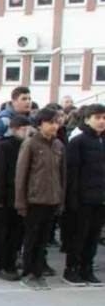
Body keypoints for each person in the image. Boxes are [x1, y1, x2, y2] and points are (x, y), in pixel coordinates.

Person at [16, 108, 65, 290]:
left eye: (56, 122)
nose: (54, 125)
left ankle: (38, 272)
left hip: (51, 200)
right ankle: (28, 272)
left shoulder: (59, 145)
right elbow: (21, 175)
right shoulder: (31, 144)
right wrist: (20, 202)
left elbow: (62, 176)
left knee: (43, 240)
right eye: (50, 122)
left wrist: (61, 200)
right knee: (32, 238)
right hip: (34, 200)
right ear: (40, 124)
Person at [62, 103, 105, 286]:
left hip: (100, 198)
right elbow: (71, 173)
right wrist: (73, 199)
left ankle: (87, 269)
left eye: (104, 118)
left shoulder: (102, 141)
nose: (102, 121)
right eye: (97, 117)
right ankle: (71, 270)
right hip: (82, 199)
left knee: (93, 236)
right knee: (78, 236)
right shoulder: (78, 142)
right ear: (87, 119)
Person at [0, 115, 31, 281]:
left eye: (29, 129)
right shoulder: (5, 145)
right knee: (3, 234)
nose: (27, 132)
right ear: (14, 129)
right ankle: (1, 265)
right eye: (24, 129)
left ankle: (12, 262)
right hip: (6, 197)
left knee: (17, 233)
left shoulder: (28, 145)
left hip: (21, 198)